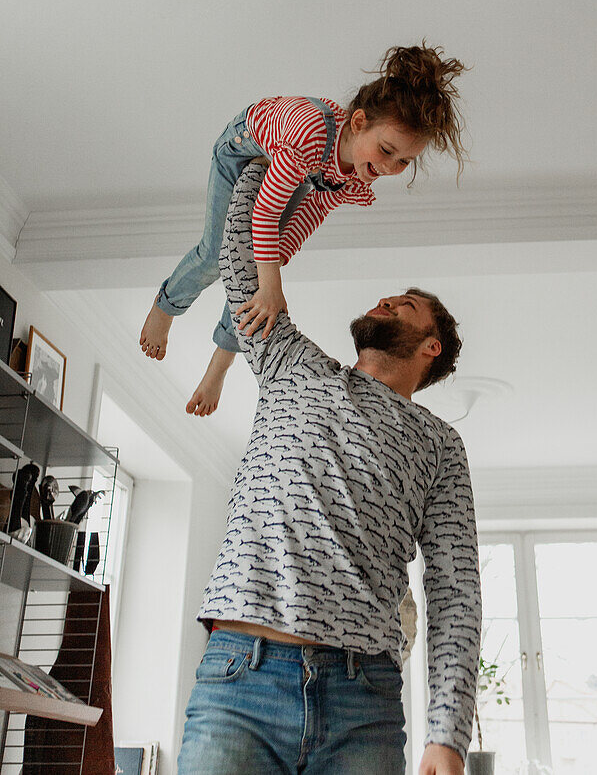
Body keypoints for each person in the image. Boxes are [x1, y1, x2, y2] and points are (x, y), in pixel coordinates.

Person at [176, 162, 482, 775]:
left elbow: (455, 591)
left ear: (431, 346)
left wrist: (447, 733)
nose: (388, 300)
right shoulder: (294, 367)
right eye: (390, 296)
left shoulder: (440, 444)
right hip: (241, 679)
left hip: (363, 699)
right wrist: (256, 171)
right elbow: (238, 269)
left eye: (409, 305)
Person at [140, 43, 466, 417]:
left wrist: (277, 260)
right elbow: (263, 215)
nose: (392, 167)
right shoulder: (310, 136)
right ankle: (165, 307)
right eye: (387, 150)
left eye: (405, 161)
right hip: (245, 149)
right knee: (216, 254)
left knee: (263, 269)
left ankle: (221, 361)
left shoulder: (358, 171)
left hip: (299, 172)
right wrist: (271, 284)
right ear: (358, 124)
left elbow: (313, 212)